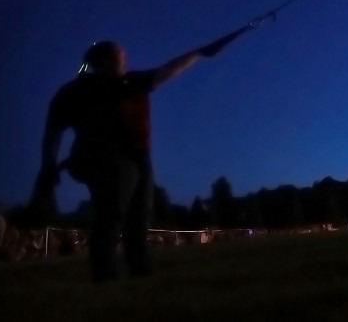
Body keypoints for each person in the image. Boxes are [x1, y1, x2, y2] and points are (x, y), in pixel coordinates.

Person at [31, 29, 246, 281]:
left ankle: (139, 272)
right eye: (120, 56)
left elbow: (167, 70)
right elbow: (54, 131)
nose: (125, 59)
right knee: (112, 213)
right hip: (105, 157)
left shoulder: (129, 82)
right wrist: (48, 165)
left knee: (139, 215)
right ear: (102, 61)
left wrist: (199, 52)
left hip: (138, 157)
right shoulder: (77, 91)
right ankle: (106, 275)